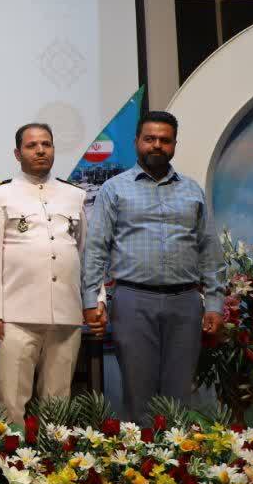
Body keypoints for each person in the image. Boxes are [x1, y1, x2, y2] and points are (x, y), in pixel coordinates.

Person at [82, 110, 223, 421]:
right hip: (133, 301)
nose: (157, 145)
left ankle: (178, 452)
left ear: (174, 145)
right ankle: (141, 452)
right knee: (138, 393)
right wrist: (91, 300)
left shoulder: (192, 190)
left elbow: (209, 249)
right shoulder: (114, 189)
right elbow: (95, 249)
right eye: (150, 139)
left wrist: (214, 302)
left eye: (164, 140)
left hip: (185, 303)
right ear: (136, 142)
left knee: (180, 395)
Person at [0, 123, 87, 425]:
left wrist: (96, 299)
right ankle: (12, 455)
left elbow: (84, 252)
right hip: (16, 314)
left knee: (57, 403)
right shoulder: (0, 194)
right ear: (18, 153)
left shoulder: (74, 194)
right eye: (32, 145)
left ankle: (54, 455)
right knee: (11, 402)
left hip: (66, 313)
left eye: (46, 144)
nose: (40, 151)